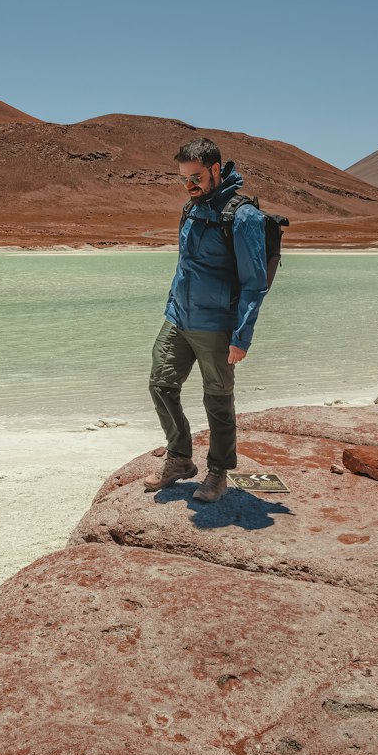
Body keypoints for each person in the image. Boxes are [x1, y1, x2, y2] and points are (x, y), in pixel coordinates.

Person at [144, 137, 269, 502]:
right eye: (183, 178)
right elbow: (184, 266)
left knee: (217, 399)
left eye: (196, 176)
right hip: (178, 318)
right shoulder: (191, 208)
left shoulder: (242, 216)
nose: (190, 185)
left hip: (216, 324)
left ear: (216, 169)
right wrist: (172, 306)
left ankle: (218, 472)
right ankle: (180, 458)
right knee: (161, 384)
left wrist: (241, 336)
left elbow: (254, 283)